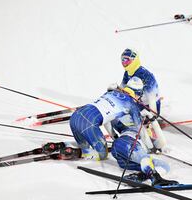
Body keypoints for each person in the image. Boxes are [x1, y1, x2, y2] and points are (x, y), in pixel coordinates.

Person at [42, 77, 177, 186]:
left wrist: (114, 136)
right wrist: (149, 145)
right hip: (90, 123)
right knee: (101, 154)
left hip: (76, 117)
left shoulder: (111, 92)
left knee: (89, 145)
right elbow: (140, 130)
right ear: (138, 93)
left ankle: (61, 146)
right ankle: (77, 153)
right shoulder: (132, 105)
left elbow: (108, 120)